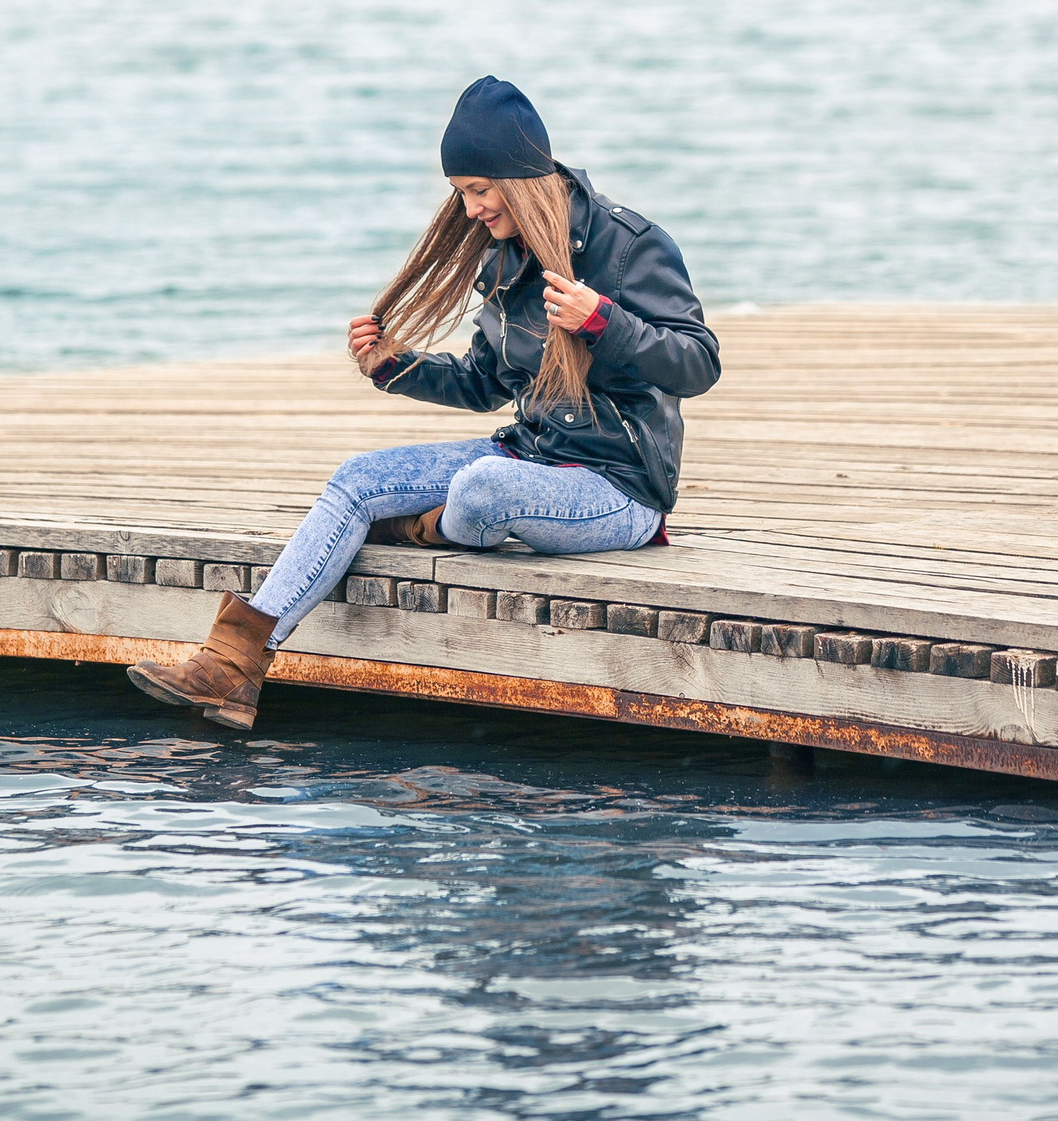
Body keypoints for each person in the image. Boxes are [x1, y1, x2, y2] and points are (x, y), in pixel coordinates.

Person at [128, 77, 722, 730]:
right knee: (358, 478)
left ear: (518, 177)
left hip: (620, 491)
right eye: (460, 193)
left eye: (478, 190)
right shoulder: (504, 261)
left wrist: (602, 319)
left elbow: (699, 362)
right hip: (531, 455)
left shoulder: (630, 245)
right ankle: (233, 667)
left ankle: (427, 524)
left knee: (483, 485)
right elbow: (485, 382)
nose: (469, 210)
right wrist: (394, 366)